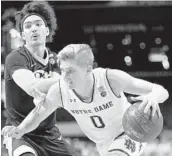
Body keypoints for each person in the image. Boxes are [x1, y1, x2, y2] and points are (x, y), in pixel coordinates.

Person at [2, 44, 169, 156]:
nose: (64, 76)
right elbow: (38, 114)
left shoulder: (111, 79)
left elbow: (161, 90)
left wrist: (153, 97)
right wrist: (21, 129)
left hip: (129, 132)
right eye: (62, 70)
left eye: (70, 71)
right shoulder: (60, 91)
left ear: (88, 69)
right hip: (102, 144)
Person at [1, 2, 76, 156]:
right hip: (20, 133)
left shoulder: (55, 59)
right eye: (27, 26)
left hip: (49, 134)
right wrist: (68, 79)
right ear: (23, 35)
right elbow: (32, 86)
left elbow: (56, 90)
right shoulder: (15, 57)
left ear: (47, 30)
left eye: (37, 24)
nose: (33, 28)